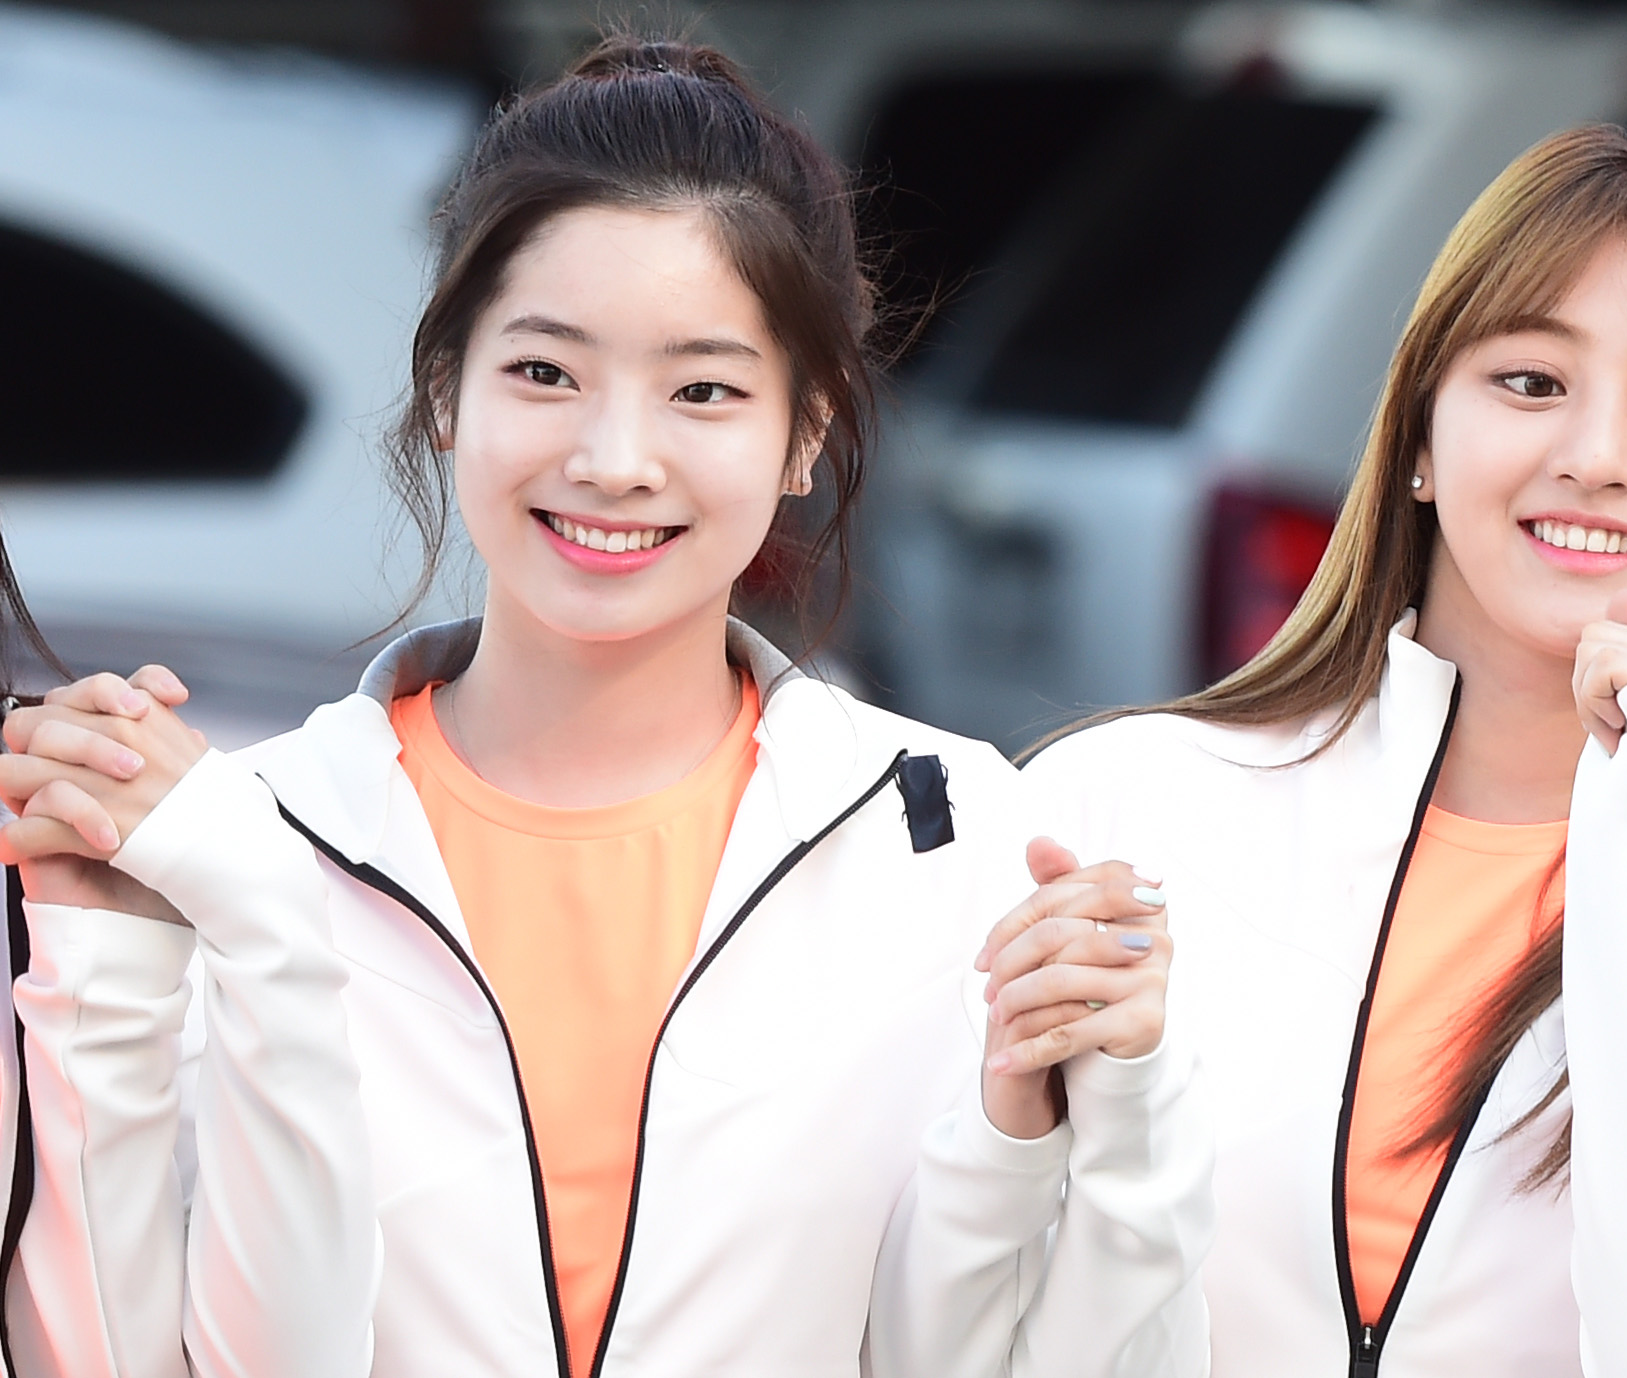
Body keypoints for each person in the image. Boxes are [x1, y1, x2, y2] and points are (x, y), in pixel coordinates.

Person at [0, 35, 1211, 1378]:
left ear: (807, 427)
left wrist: (1123, 1104)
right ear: (446, 386)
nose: (615, 459)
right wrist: (116, 957)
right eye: (545, 372)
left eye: (703, 390)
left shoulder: (952, 836)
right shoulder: (241, 841)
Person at [993, 124, 1627, 1376]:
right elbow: (954, 1307)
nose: (1597, 457)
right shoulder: (1122, 806)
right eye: (1532, 381)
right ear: (1416, 435)